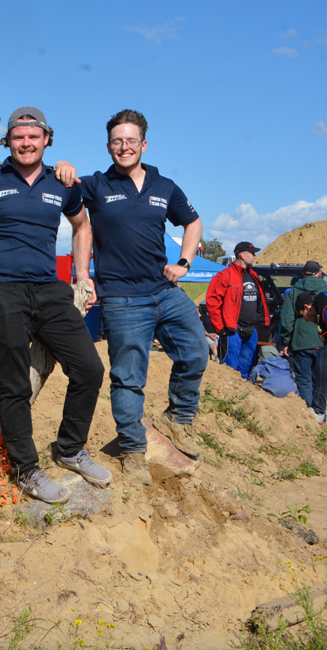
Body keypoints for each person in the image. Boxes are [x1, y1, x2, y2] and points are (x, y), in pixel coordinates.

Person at [0, 107, 108, 504]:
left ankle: (69, 449)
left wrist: (82, 275)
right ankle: (26, 470)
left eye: (34, 136)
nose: (26, 143)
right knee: (15, 382)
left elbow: (82, 226)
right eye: (19, 137)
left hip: (49, 290)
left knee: (89, 368)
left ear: (47, 139)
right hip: (1, 290)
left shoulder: (62, 182)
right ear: (9, 141)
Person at [63, 109, 208, 484]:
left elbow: (193, 222)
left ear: (143, 144)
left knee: (196, 351)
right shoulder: (96, 185)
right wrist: (62, 167)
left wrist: (184, 263)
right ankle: (133, 450)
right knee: (128, 378)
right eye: (117, 141)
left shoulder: (165, 187)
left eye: (131, 141)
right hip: (123, 299)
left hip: (165, 290)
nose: (124, 147)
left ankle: (178, 418)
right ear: (109, 146)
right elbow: (66, 193)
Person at [206, 242, 269, 379]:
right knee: (229, 370)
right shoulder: (224, 275)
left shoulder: (253, 275)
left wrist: (258, 321)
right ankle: (228, 399)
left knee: (247, 367)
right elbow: (212, 302)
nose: (255, 257)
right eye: (252, 254)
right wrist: (221, 328)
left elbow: (259, 300)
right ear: (243, 255)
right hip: (232, 330)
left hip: (251, 329)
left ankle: (245, 398)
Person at [280, 260, 326, 412]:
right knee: (320, 379)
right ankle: (320, 411)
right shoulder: (325, 289)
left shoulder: (294, 291)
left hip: (301, 341)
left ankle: (309, 412)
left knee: (304, 379)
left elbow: (287, 320)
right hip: (322, 340)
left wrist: (286, 341)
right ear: (319, 273)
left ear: (303, 274)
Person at [295, 290, 327, 423]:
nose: (306, 321)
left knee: (322, 354)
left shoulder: (324, 309)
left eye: (303, 316)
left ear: (307, 307)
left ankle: (318, 410)